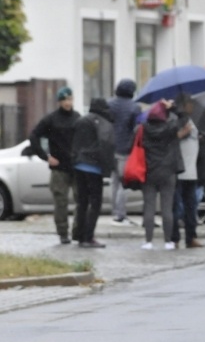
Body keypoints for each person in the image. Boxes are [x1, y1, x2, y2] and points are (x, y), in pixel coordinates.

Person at [28, 86, 81, 244]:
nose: (67, 102)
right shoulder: (51, 120)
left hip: (76, 166)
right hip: (59, 168)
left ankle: (78, 231)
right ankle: (63, 232)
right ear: (59, 101)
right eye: (64, 99)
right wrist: (46, 157)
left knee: (82, 200)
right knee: (60, 202)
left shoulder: (78, 118)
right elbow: (34, 136)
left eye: (70, 99)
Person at [141, 100, 190, 250]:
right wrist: (174, 107)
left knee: (149, 207)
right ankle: (168, 241)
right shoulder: (170, 127)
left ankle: (148, 241)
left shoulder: (143, 129)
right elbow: (184, 119)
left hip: (149, 171)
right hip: (168, 172)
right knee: (167, 208)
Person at [71, 98, 116, 248]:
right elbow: (106, 146)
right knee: (95, 203)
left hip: (79, 165)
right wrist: (108, 167)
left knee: (82, 202)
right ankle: (88, 237)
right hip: (94, 167)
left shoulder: (81, 120)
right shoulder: (104, 123)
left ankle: (79, 235)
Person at [170, 95, 204, 248]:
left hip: (191, 171)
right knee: (176, 207)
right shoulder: (176, 120)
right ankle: (174, 238)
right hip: (179, 171)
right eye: (190, 103)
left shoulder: (191, 120)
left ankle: (191, 237)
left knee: (191, 207)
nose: (193, 106)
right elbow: (169, 139)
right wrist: (180, 134)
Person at [108, 78, 142, 226]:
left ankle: (114, 212)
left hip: (110, 149)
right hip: (125, 150)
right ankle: (120, 214)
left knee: (113, 182)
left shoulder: (109, 104)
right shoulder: (134, 107)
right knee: (124, 183)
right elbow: (138, 129)